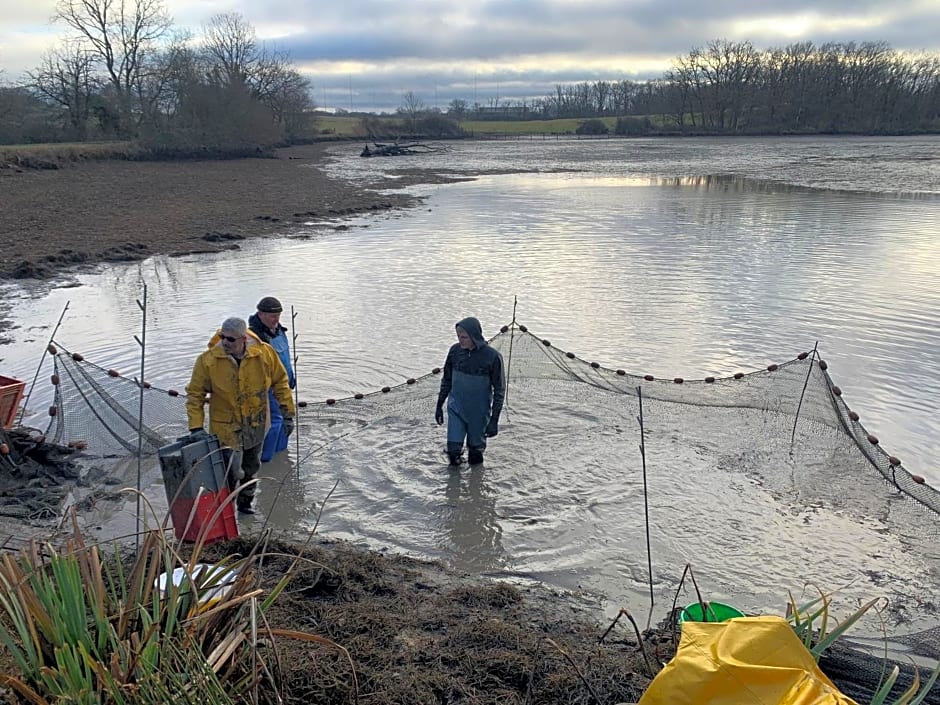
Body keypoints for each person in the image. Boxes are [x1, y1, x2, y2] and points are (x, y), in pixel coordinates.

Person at [186, 316, 295, 514]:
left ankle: (245, 505)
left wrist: (288, 414)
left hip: (256, 423)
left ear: (243, 339)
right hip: (226, 428)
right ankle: (225, 511)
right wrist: (196, 427)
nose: (225, 342)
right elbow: (195, 395)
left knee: (251, 468)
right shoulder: (208, 361)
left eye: (230, 339)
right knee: (231, 471)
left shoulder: (264, 354)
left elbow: (280, 382)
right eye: (222, 337)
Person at [435, 317, 505, 466]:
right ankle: (455, 479)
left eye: (464, 337)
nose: (460, 340)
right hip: (456, 409)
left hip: (479, 414)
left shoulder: (492, 357)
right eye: (458, 336)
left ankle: (476, 474)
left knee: (475, 455)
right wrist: (439, 405)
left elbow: (499, 390)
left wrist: (494, 420)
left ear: (475, 336)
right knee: (453, 453)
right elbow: (447, 380)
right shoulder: (455, 352)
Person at [248, 296, 296, 462]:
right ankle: (265, 461)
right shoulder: (254, 337)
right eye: (272, 316)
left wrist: (291, 377)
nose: (276, 319)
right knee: (274, 423)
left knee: (285, 423)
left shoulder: (279, 331)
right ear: (260, 314)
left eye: (278, 315)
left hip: (284, 385)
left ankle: (282, 458)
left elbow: (285, 357)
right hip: (268, 388)